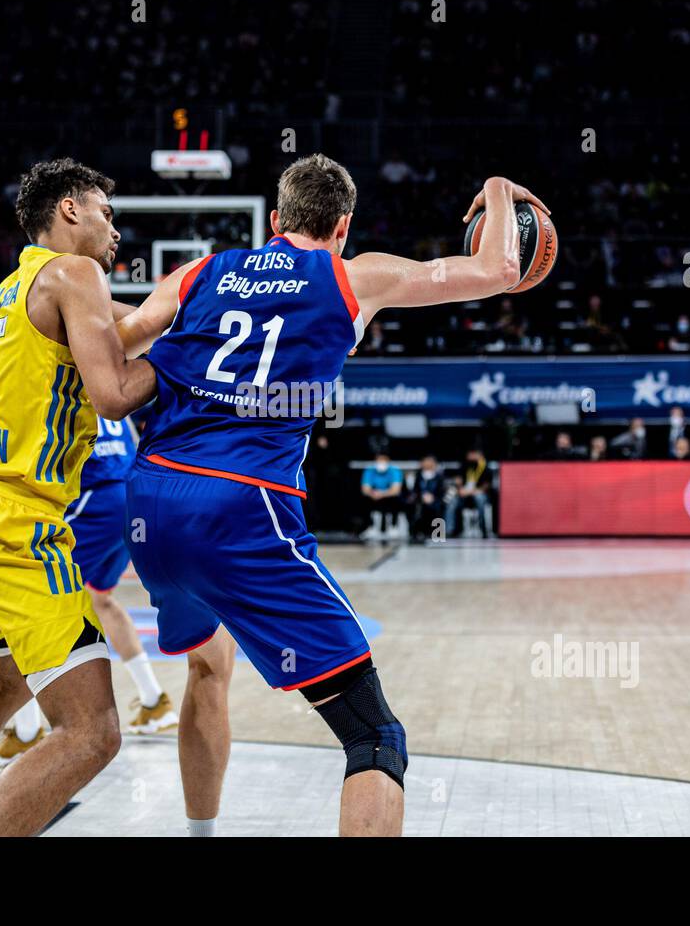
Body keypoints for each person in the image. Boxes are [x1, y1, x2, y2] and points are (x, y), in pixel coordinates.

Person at [113, 154, 546, 836]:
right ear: (343, 226)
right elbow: (500, 271)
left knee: (206, 665)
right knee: (374, 736)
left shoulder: (201, 271)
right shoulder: (353, 276)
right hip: (240, 506)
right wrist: (495, 186)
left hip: (148, 502)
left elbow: (118, 339)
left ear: (277, 219)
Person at [0, 159, 157, 838]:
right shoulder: (79, 274)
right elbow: (115, 393)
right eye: (106, 213)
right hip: (17, 521)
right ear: (69, 209)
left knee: (9, 688)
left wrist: (190, 306)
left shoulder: (22, 281)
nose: (115, 230)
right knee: (92, 732)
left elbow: (130, 325)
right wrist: (192, 357)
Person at [0, 414, 176, 764]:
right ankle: (154, 701)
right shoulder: (107, 389)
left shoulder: (60, 391)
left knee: (26, 603)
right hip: (130, 500)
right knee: (101, 599)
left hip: (96, 504)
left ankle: (27, 734)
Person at [360, 452, 405, 539]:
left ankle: (393, 527)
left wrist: (382, 494)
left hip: (389, 496)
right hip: (374, 496)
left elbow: (396, 490)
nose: (381, 462)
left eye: (383, 460)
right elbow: (365, 489)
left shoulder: (394, 471)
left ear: (388, 460)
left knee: (396, 499)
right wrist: (372, 493)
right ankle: (370, 527)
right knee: (364, 499)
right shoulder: (369, 470)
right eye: (379, 459)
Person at [408, 455, 445, 541]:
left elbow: (442, 491)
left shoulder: (440, 476)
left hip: (436, 499)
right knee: (415, 507)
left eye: (430, 461)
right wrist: (422, 496)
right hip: (420, 499)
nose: (428, 463)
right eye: (426, 461)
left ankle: (437, 532)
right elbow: (414, 490)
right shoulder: (417, 476)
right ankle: (417, 532)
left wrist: (433, 497)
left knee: (437, 507)